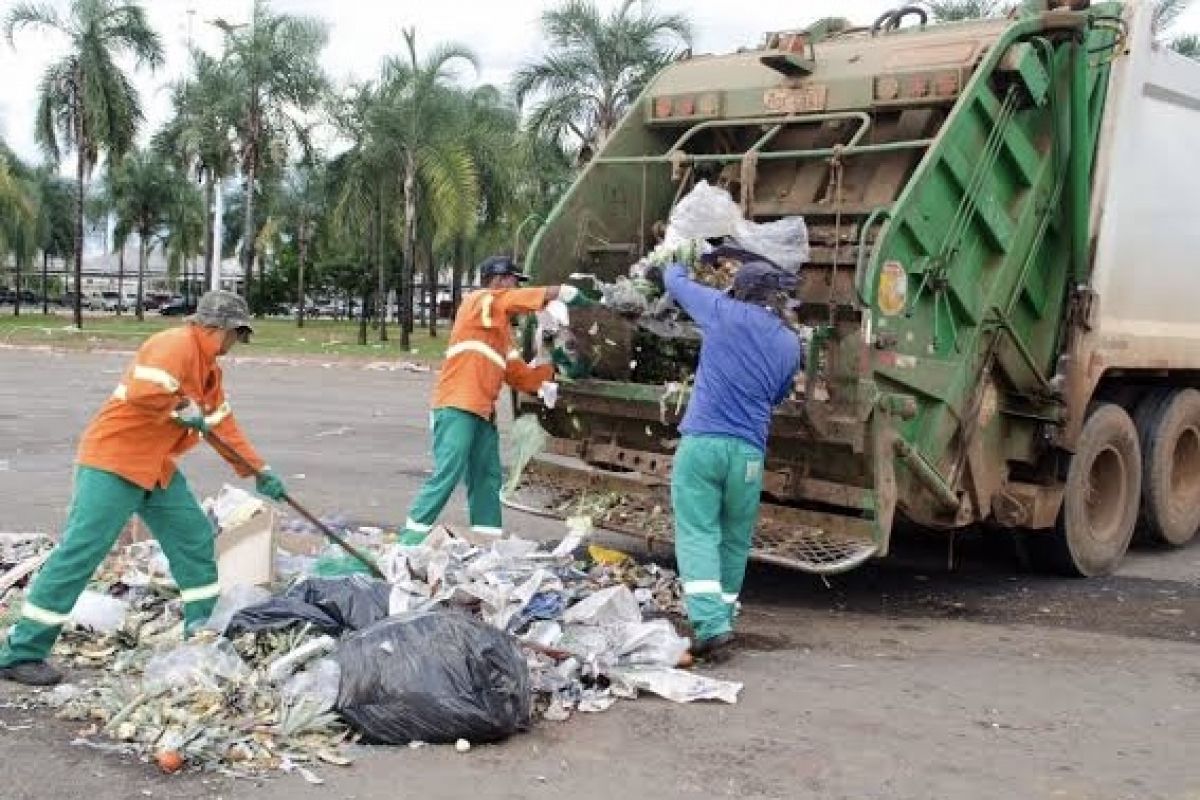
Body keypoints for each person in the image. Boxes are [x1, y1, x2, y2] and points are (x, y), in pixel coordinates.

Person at [0, 290, 287, 686]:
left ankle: (201, 636)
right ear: (216, 328)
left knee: (195, 540)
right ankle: (22, 652)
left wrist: (259, 470)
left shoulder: (209, 371)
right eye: (236, 334)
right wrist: (183, 410)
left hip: (156, 466)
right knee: (81, 552)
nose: (236, 344)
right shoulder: (173, 345)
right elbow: (144, 391)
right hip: (114, 461)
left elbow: (222, 426)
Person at [660, 250, 802, 660]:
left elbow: (676, 283)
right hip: (749, 455)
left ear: (741, 291)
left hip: (703, 443)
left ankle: (710, 625)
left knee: (698, 531)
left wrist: (675, 262)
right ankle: (724, 613)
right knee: (735, 539)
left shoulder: (723, 311)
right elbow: (778, 395)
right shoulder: (790, 342)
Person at [399, 255, 588, 545]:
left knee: (486, 477)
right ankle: (408, 541)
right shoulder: (477, 302)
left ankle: (487, 543)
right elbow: (505, 301)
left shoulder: (502, 337)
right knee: (448, 473)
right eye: (513, 281)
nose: (515, 288)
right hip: (456, 407)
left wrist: (556, 367)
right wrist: (557, 293)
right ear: (499, 280)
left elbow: (522, 377)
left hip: (482, 414)